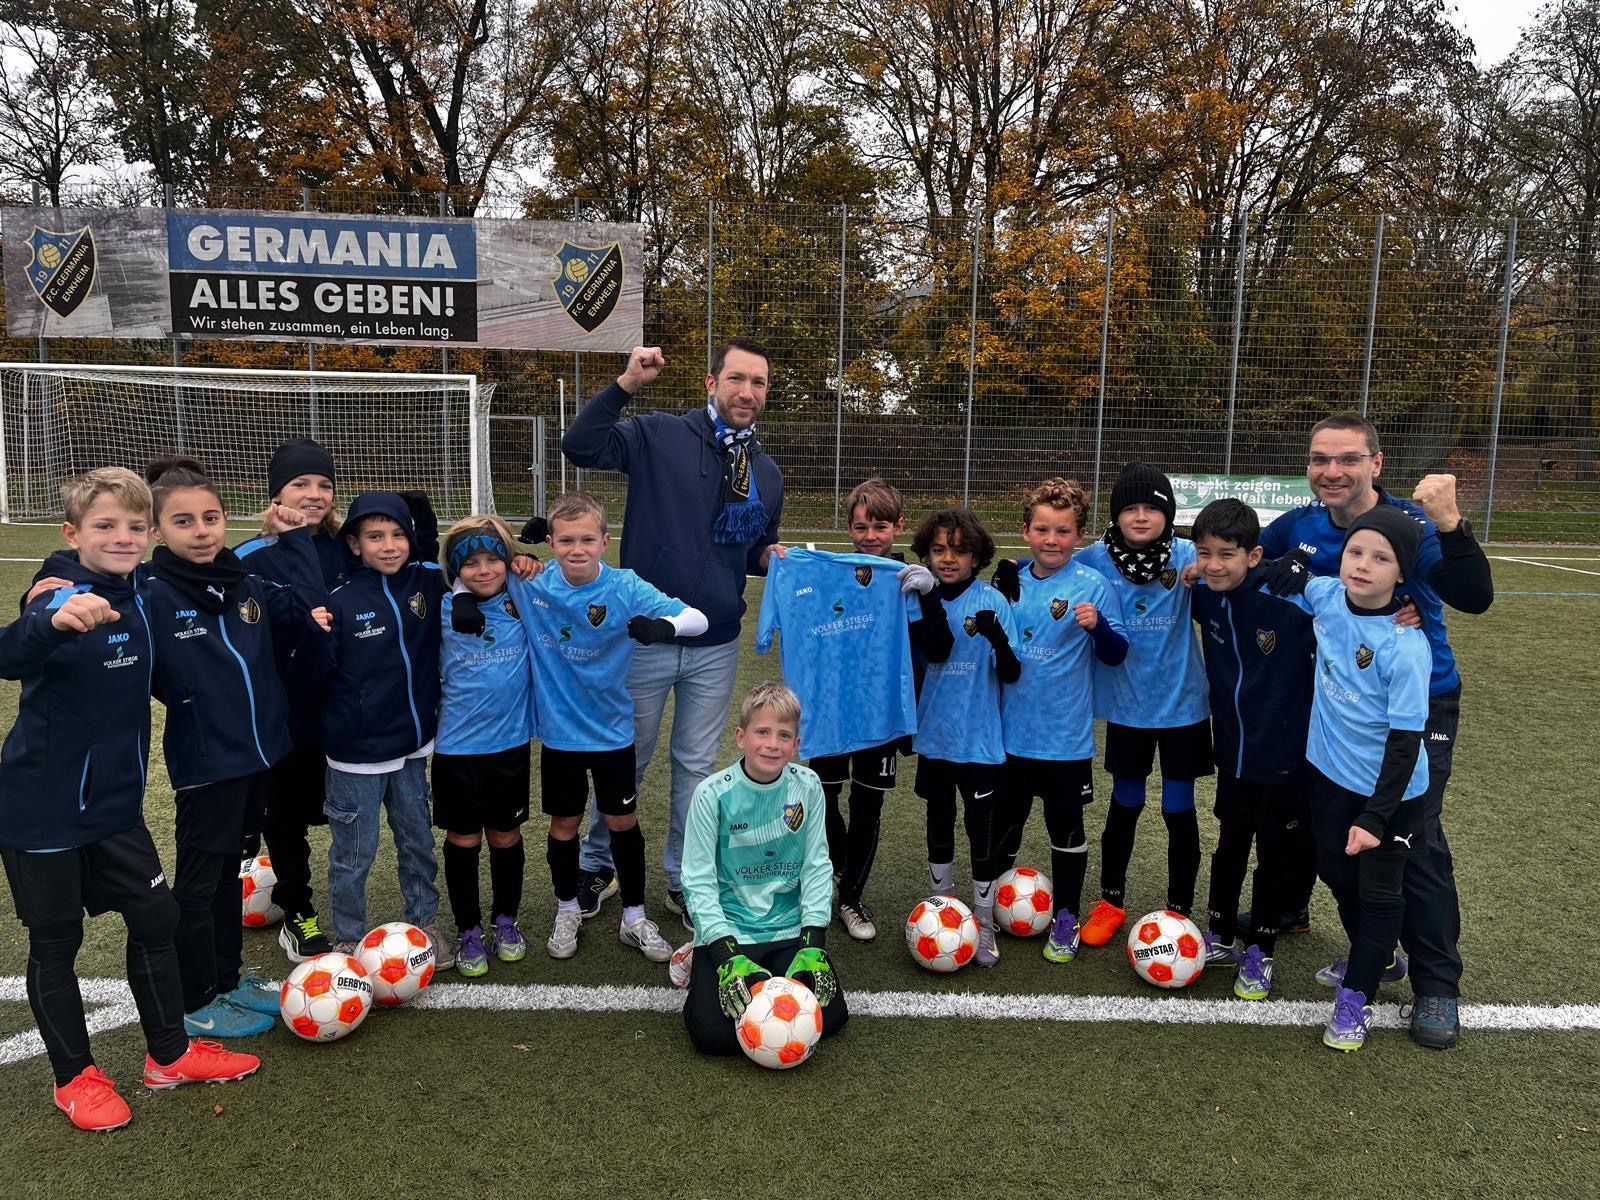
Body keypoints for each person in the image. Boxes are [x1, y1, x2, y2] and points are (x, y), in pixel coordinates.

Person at [0, 468, 259, 1132]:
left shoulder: (142, 590)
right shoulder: (59, 590)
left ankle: (168, 1055)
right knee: (56, 941)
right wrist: (51, 621)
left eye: (135, 526)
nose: (123, 537)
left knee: (155, 917)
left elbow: (209, 572)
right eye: (105, 526)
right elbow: (11, 651)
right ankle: (74, 1077)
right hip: (42, 810)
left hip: (116, 808)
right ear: (73, 533)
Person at [1260, 412, 1493, 1048]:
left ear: (1376, 464)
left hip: (1420, 704)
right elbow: (1251, 554)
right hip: (1340, 710)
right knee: (1335, 840)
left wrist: (1452, 524)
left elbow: (1474, 596)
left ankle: (1437, 983)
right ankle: (1376, 947)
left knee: (1414, 842)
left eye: (1348, 459)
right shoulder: (1302, 524)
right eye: (1320, 459)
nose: (1332, 471)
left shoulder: (1411, 527)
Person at [559, 340, 785, 929]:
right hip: (645, 639)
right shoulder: (658, 434)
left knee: (695, 767)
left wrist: (772, 556)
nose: (747, 392)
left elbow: (752, 551)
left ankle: (684, 878)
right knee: (623, 759)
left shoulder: (764, 471)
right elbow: (579, 445)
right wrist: (627, 383)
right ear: (712, 383)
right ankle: (597, 864)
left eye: (758, 383)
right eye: (736, 378)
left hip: (716, 645)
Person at [142, 456, 329, 1037]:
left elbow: (310, 612)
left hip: (262, 756)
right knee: (201, 886)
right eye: (183, 521)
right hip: (208, 763)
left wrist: (295, 540)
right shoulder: (149, 592)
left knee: (229, 876)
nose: (201, 531)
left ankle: (227, 979)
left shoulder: (244, 583)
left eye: (211, 518)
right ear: (156, 531)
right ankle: (196, 1000)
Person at [517, 492, 708, 962]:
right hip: (560, 735)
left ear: (605, 541)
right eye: (565, 540)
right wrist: (512, 552)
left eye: (587, 539)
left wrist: (664, 627)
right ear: (550, 542)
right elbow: (470, 568)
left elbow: (697, 619)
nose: (576, 549)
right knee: (564, 824)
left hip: (612, 732)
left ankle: (634, 917)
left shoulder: (624, 586)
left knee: (622, 821)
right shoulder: (533, 581)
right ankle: (567, 909)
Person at [1268, 507, 1433, 1051]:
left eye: (1381, 558)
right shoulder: (1327, 596)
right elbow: (1271, 573)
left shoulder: (1406, 645)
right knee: (1336, 872)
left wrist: (1376, 817)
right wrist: (1283, 564)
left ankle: (1357, 998)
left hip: (1389, 794)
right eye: (1356, 552)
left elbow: (1405, 743)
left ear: (1402, 574)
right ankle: (1377, 956)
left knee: (1379, 893)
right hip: (1329, 775)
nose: (1363, 565)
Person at [755, 476, 932, 942]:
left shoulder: (902, 578)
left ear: (898, 527)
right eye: (860, 526)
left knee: (868, 805)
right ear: (849, 528)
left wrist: (927, 591)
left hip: (880, 715)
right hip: (826, 712)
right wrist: (777, 562)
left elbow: (929, 635)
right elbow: (769, 618)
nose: (870, 536)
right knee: (823, 800)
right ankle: (836, 871)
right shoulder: (813, 572)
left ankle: (852, 897)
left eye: (880, 526)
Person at [989, 478, 1128, 966]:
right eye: (1043, 529)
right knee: (1003, 827)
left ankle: (1066, 917)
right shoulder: (1007, 583)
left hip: (1065, 740)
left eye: (1063, 531)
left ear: (1079, 536)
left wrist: (1099, 627)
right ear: (1026, 531)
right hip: (1009, 736)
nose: (1052, 540)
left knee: (1066, 830)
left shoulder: (1092, 586)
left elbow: (1116, 654)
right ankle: (989, 908)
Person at [1074, 463, 1212, 947]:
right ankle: (1110, 901)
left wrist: (1208, 570)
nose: (1140, 517)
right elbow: (1050, 568)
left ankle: (1180, 911)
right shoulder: (1094, 559)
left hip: (1183, 706)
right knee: (1126, 801)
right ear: (1116, 515)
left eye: (1151, 508)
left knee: (1178, 807)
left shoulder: (1190, 554)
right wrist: (1012, 573)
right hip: (1127, 707)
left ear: (1168, 515)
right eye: (1129, 508)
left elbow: (1240, 563)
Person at [312, 490, 452, 965]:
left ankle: (424, 924)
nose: (389, 546)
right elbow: (316, 675)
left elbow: (474, 566)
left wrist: (521, 562)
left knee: (418, 844)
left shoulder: (428, 582)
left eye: (397, 535)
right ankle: (347, 938)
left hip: (413, 747)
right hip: (356, 756)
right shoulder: (338, 603)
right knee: (354, 854)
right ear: (354, 544)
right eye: (375, 537)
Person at [1186, 498, 1317, 1000]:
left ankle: (1261, 948)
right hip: (1233, 751)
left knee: (1273, 853)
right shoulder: (1205, 595)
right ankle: (1219, 933)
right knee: (1230, 842)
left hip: (1286, 757)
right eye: (1205, 554)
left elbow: (1356, 604)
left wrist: (1406, 607)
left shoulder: (1291, 602)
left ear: (1255, 555)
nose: (1214, 565)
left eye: (1227, 554)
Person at [679, 683, 847, 1055]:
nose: (772, 744)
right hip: (730, 928)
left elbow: (817, 866)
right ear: (741, 737)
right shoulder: (712, 794)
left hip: (787, 929)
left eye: (783, 735)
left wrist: (813, 941)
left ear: (796, 744)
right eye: (762, 732)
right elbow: (697, 880)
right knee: (715, 1037)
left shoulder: (808, 786)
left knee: (832, 1018)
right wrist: (723, 953)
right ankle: (697, 962)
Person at [235, 438, 347, 962]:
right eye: (300, 483)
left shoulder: (352, 548)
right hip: (282, 715)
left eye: (324, 484)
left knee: (352, 814)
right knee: (285, 817)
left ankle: (352, 908)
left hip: (345, 710)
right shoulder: (248, 557)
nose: (314, 493)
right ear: (275, 494)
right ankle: (298, 910)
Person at [909, 508, 1020, 967]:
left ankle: (984, 917)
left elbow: (1011, 674)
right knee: (938, 822)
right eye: (938, 549)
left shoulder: (992, 601)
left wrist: (997, 638)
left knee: (980, 831)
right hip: (934, 738)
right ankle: (944, 906)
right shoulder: (918, 597)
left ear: (977, 557)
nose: (948, 558)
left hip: (979, 742)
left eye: (959, 550)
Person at [434, 514, 537, 977]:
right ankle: (468, 929)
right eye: (470, 564)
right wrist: (458, 593)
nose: (483, 570)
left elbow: (561, 577)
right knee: (463, 838)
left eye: (492, 560)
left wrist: (525, 559)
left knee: (506, 835)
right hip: (457, 749)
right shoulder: (442, 607)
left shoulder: (521, 597)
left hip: (510, 746)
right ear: (455, 569)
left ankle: (506, 921)